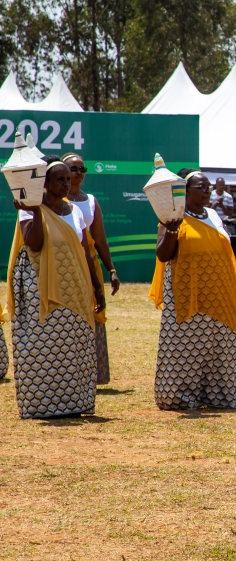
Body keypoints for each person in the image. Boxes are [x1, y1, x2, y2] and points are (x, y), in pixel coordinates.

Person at [7, 156, 104, 418]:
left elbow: (85, 252)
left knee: (75, 348)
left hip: (77, 289)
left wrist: (97, 286)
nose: (66, 182)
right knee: (44, 349)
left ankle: (75, 403)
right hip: (43, 291)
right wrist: (38, 211)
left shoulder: (74, 211)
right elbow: (34, 244)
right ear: (45, 184)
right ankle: (43, 405)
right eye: (59, 179)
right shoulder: (29, 209)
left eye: (67, 178)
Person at [150, 169, 236, 411]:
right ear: (186, 191)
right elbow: (163, 254)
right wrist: (172, 228)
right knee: (186, 348)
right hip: (187, 293)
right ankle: (180, 396)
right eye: (201, 188)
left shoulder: (213, 215)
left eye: (208, 187)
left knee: (220, 346)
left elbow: (227, 251)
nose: (206, 191)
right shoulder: (173, 215)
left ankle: (220, 395)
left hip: (221, 293)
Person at [64, 152, 120, 386]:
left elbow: (100, 239)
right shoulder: (52, 201)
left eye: (82, 169)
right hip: (64, 264)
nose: (78, 173)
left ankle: (94, 373)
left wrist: (111, 270)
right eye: (73, 169)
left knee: (94, 312)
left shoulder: (90, 201)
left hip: (89, 264)